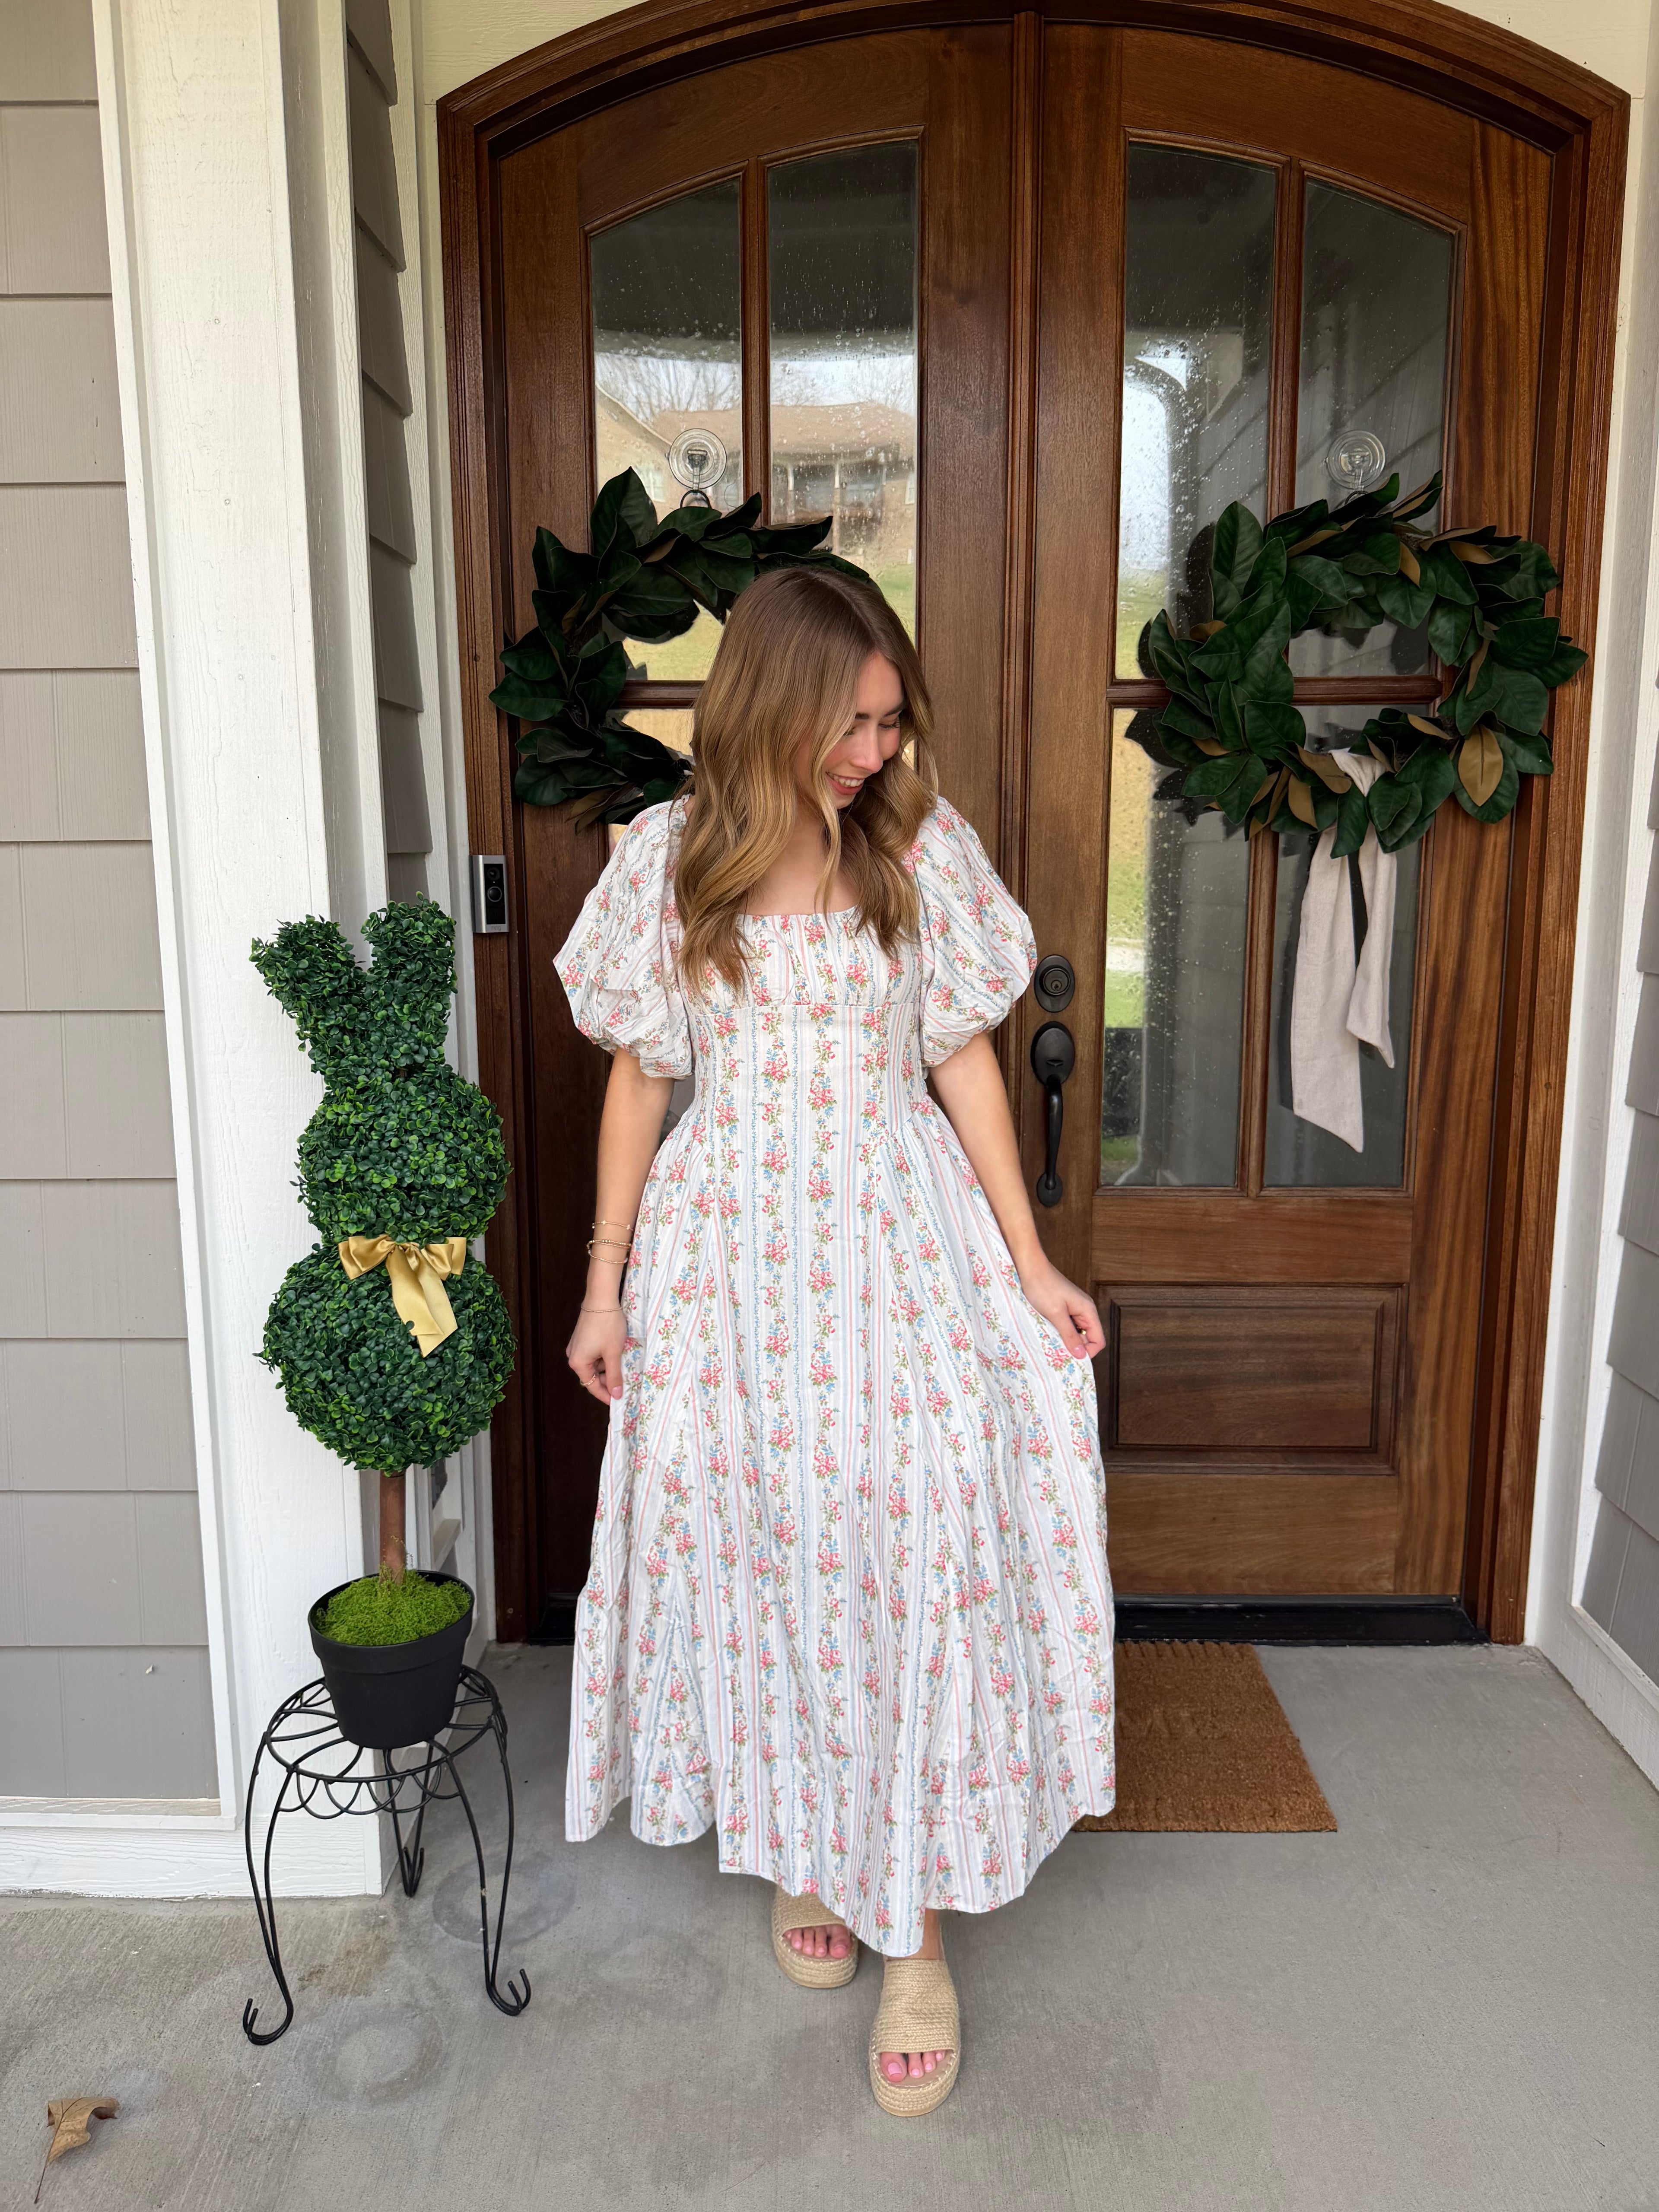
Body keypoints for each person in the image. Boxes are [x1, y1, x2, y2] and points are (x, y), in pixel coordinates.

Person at [556, 565, 1116, 2116]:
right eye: (854, 720)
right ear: (777, 703)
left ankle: (915, 1932)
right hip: (731, 1272)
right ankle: (808, 1841)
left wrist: (1031, 1259)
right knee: (768, 1555)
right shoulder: (667, 862)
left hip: (895, 1248)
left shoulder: (918, 852)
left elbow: (965, 1062)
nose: (877, 748)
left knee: (913, 1547)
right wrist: (605, 1288)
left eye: (890, 719)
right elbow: (638, 1090)